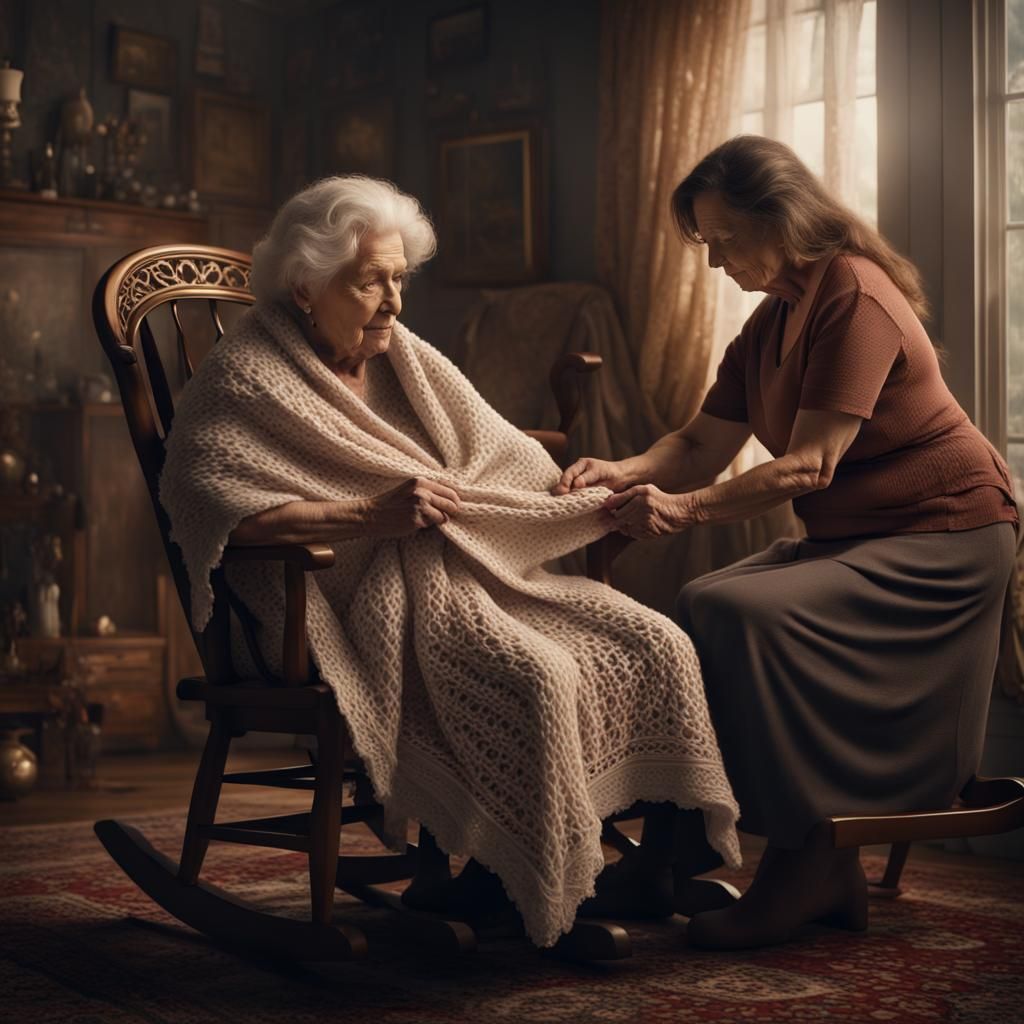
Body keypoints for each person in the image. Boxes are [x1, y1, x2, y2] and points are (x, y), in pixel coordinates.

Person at [158, 175, 742, 950]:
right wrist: (370, 515)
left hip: (471, 570)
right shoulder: (245, 375)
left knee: (655, 642)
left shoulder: (407, 356)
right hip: (335, 599)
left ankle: (656, 865)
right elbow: (209, 500)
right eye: (371, 282)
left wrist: (572, 494)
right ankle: (517, 878)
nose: (395, 301)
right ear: (305, 285)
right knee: (533, 673)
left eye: (400, 279)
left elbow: (496, 452)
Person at [555, 135, 1018, 950]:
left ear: (784, 217)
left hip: (944, 541)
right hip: (858, 538)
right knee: (683, 621)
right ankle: (668, 856)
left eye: (724, 240)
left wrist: (683, 512)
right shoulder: (772, 321)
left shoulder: (856, 297)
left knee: (727, 606)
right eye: (706, 243)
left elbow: (808, 467)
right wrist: (619, 471)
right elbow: (698, 441)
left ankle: (807, 867)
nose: (714, 262)